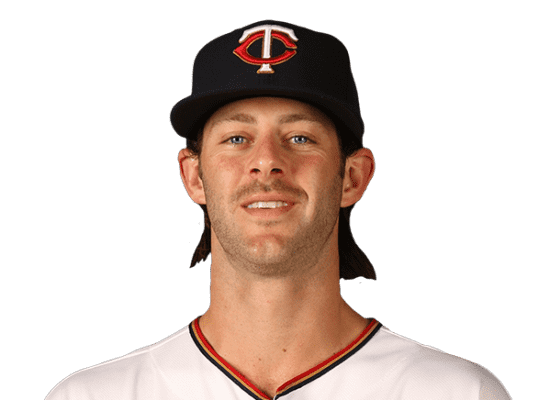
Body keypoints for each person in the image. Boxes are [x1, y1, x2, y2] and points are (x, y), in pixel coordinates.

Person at [45, 19, 512, 400]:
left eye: (300, 137)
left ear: (352, 177)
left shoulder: (458, 393)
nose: (266, 160)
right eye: (237, 138)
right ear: (194, 176)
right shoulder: (90, 396)